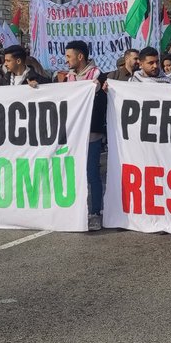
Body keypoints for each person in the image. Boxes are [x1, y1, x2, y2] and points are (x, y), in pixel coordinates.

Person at [59, 40, 106, 231]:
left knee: (91, 172)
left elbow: (101, 103)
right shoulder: (67, 78)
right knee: (71, 170)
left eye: (69, 56)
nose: (66, 60)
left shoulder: (98, 77)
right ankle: (74, 210)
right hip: (72, 132)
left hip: (91, 132)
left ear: (80, 57)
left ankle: (95, 212)